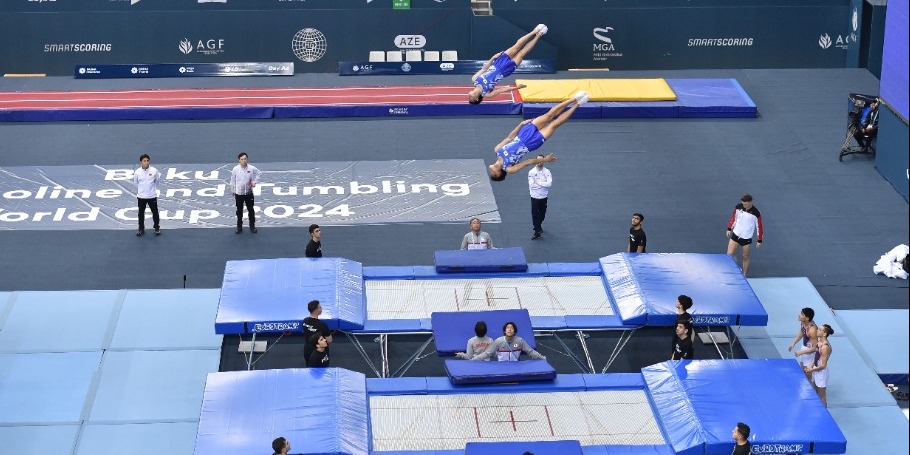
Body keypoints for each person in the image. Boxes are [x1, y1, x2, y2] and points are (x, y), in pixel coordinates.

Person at [488, 92, 587, 181]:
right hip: (531, 144)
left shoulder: (497, 150)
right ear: (498, 174)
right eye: (492, 174)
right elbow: (528, 162)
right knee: (554, 124)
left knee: (548, 115)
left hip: (523, 134)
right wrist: (545, 160)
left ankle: (574, 98)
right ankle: (578, 104)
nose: (490, 172)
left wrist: (521, 125)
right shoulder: (509, 168)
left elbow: (509, 138)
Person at [468, 24, 547, 104]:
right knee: (522, 53)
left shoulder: (474, 79)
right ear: (476, 99)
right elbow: (502, 89)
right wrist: (516, 88)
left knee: (516, 46)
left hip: (497, 63)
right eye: (470, 99)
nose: (468, 97)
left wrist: (492, 58)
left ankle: (534, 31)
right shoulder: (487, 94)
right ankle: (538, 35)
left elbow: (484, 69)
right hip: (505, 71)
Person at [725, 193, 763, 276]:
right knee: (729, 255)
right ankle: (737, 269)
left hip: (746, 238)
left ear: (750, 202)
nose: (744, 205)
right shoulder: (738, 207)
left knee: (745, 257)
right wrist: (729, 228)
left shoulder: (756, 213)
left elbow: (759, 227)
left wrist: (759, 240)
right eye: (743, 203)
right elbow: (733, 218)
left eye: (746, 204)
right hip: (736, 234)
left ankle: (744, 275)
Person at [470, 321, 545, 361]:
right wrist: (475, 359)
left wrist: (542, 358)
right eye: (507, 328)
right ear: (504, 331)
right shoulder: (498, 341)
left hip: (516, 367)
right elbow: (487, 353)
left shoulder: (520, 341)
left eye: (511, 328)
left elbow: (530, 351)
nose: (509, 329)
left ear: (514, 331)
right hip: (502, 367)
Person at [230, 152, 261, 234]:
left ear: (247, 159)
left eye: (245, 159)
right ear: (239, 160)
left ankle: (252, 226)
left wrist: (255, 181)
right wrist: (233, 190)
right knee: (239, 211)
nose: (244, 161)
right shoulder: (235, 169)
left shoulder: (251, 168)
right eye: (242, 159)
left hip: (248, 193)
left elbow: (258, 173)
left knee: (251, 210)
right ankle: (239, 227)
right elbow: (232, 181)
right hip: (239, 194)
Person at [132, 153, 161, 237]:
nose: (146, 162)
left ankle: (157, 227)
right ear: (141, 162)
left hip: (152, 196)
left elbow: (157, 182)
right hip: (141, 197)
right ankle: (141, 228)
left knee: (155, 212)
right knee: (141, 213)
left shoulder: (154, 171)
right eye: (144, 161)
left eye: (148, 161)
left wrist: (151, 190)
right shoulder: (137, 172)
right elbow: (136, 182)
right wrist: (142, 191)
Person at [805, 324, 834, 406]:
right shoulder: (819, 342)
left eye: (819, 330)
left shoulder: (825, 347)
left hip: (821, 373)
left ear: (824, 334)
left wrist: (812, 370)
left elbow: (823, 365)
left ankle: (825, 416)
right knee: (816, 392)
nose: (817, 330)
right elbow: (816, 356)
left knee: (822, 396)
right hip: (816, 368)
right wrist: (810, 366)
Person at [528, 154, 552, 240]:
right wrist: (543, 184)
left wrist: (539, 183)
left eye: (541, 160)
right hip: (534, 197)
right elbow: (532, 185)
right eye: (538, 160)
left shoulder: (547, 172)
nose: (539, 162)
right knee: (535, 214)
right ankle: (536, 231)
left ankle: (539, 225)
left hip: (544, 196)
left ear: (544, 161)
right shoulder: (531, 172)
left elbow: (549, 184)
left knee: (542, 214)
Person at [787, 307, 817, 375]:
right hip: (805, 347)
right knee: (802, 370)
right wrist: (793, 343)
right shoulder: (803, 322)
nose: (799, 315)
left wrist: (802, 352)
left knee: (807, 374)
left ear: (807, 318)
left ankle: (810, 384)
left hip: (811, 352)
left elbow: (816, 348)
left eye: (802, 314)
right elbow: (802, 332)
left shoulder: (812, 330)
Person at [303, 299, 332, 364]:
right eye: (320, 307)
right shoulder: (322, 325)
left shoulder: (304, 321)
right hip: (319, 353)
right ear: (316, 310)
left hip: (307, 350)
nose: (321, 308)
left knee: (310, 370)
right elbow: (329, 340)